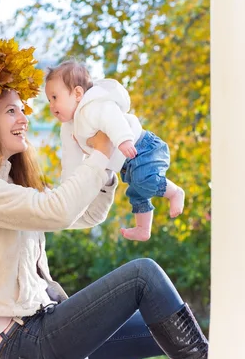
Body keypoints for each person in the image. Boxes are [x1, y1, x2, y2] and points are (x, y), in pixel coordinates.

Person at [0, 29, 208, 359]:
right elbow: (58, 209)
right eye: (11, 111)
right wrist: (102, 150)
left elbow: (85, 215)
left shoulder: (8, 184)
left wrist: (104, 168)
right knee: (143, 276)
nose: (24, 119)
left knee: (165, 322)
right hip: (23, 338)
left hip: (43, 327)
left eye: (22, 110)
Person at [44, 60, 185, 241]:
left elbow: (112, 118)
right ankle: (143, 228)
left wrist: (123, 139)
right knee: (136, 192)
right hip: (125, 162)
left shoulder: (93, 105)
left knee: (145, 180)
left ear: (78, 93)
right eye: (49, 100)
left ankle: (174, 192)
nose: (51, 106)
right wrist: (68, 191)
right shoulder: (68, 128)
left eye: (55, 98)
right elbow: (70, 161)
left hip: (141, 146)